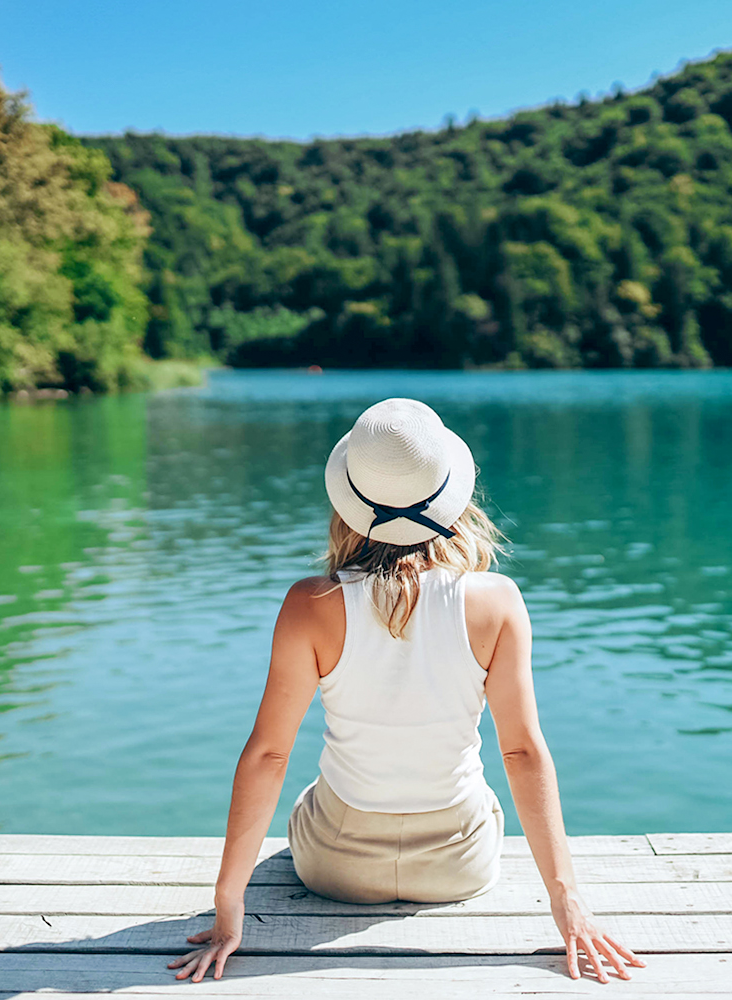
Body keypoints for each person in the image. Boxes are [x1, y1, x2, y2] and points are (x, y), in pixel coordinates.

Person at [170, 398, 645, 984]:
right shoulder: (496, 602)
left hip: (336, 866)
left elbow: (269, 755)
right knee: (485, 794)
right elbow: (521, 753)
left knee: (312, 794)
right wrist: (568, 900)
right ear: (452, 496)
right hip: (458, 865)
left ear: (348, 502)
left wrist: (226, 907)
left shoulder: (308, 605)